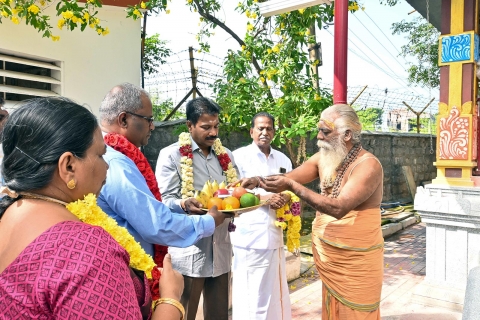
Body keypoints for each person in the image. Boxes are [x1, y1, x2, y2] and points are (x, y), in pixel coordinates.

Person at [0, 97, 184, 319]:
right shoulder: (85, 249)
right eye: (99, 155)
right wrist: (171, 300)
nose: (106, 166)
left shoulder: (8, 212)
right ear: (68, 166)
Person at [238, 104, 384, 319]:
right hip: (330, 255)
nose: (319, 136)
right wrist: (258, 181)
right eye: (319, 130)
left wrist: (292, 187)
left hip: (357, 258)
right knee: (333, 306)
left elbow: (339, 208)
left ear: (347, 135)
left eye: (325, 131)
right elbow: (290, 176)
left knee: (357, 311)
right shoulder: (324, 158)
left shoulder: (368, 165)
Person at [97, 83, 229, 267]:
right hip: (132, 265)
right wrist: (208, 222)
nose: (152, 127)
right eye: (148, 119)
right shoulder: (116, 163)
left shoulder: (107, 154)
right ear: (124, 119)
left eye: (216, 126)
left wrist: (183, 206)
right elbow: (155, 223)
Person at [156, 97, 238, 320]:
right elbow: (164, 201)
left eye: (216, 126)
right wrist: (183, 204)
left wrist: (243, 191)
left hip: (220, 248)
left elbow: (233, 192)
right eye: (206, 127)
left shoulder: (226, 156)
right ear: (189, 126)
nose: (213, 132)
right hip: (189, 250)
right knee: (184, 313)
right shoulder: (171, 155)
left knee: (219, 314)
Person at [230, 112, 293, 319]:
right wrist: (266, 198)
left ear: (274, 132)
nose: (264, 132)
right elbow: (233, 193)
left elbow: (289, 188)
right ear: (251, 131)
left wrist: (284, 196)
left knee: (274, 294)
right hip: (249, 237)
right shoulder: (238, 157)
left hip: (275, 234)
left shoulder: (282, 159)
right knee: (250, 294)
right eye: (260, 128)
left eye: (269, 128)